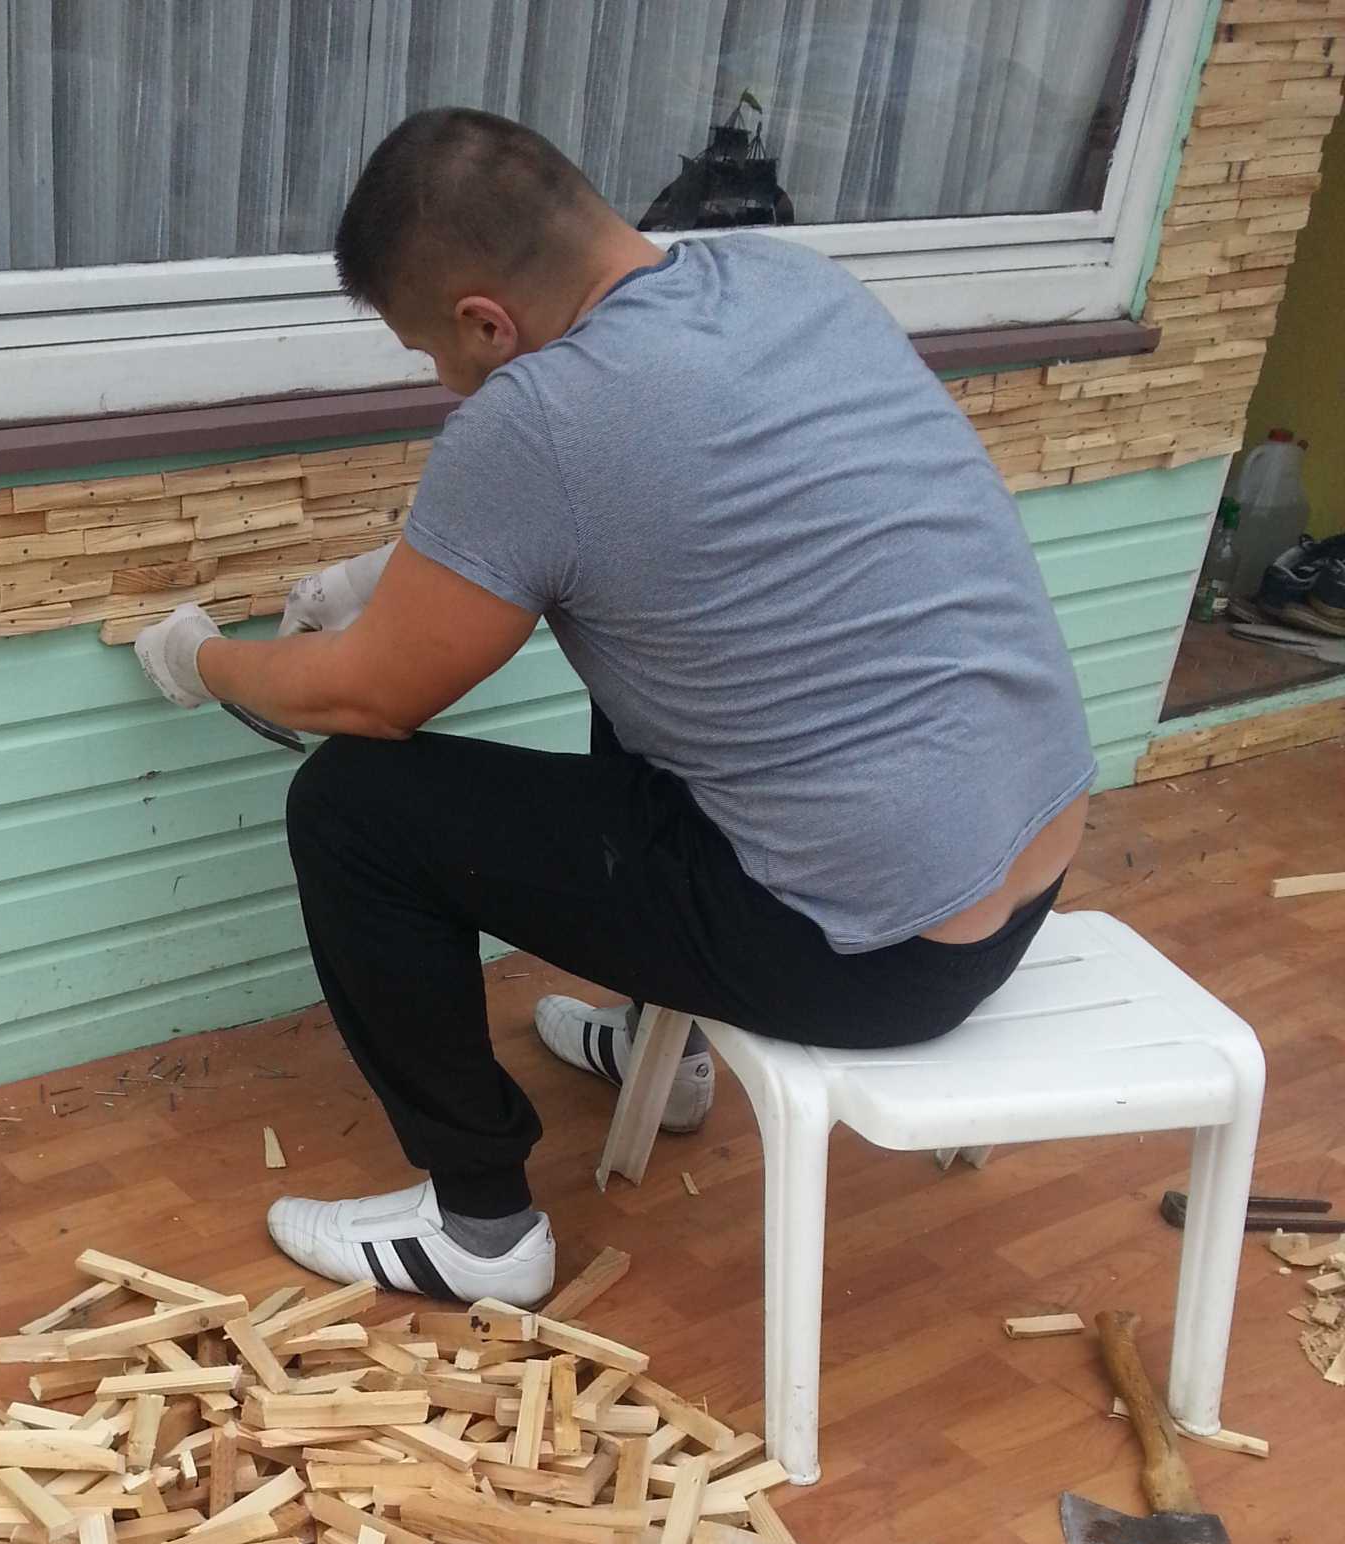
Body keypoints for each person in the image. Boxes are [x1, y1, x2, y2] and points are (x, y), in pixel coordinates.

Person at [133, 107, 1095, 1305]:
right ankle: (663, 1051)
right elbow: (630, 512)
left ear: (486, 321)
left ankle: (478, 1227)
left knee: (351, 808)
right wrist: (383, 578)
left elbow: (369, 696)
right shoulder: (781, 282)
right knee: (650, 654)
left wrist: (205, 661)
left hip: (869, 954)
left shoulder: (537, 417)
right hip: (1021, 873)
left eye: (431, 352)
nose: (441, 381)